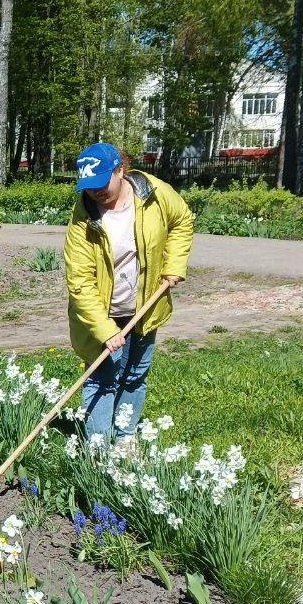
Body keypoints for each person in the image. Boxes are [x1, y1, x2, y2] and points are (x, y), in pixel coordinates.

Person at [63, 142, 193, 441]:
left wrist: (173, 265)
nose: (95, 191)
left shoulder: (154, 193)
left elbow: (182, 219)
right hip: (102, 312)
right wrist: (105, 329)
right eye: (88, 185)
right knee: (102, 378)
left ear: (120, 170)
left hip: (146, 305)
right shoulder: (83, 218)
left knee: (134, 376)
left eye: (101, 183)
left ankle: (124, 439)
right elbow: (80, 282)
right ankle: (97, 451)